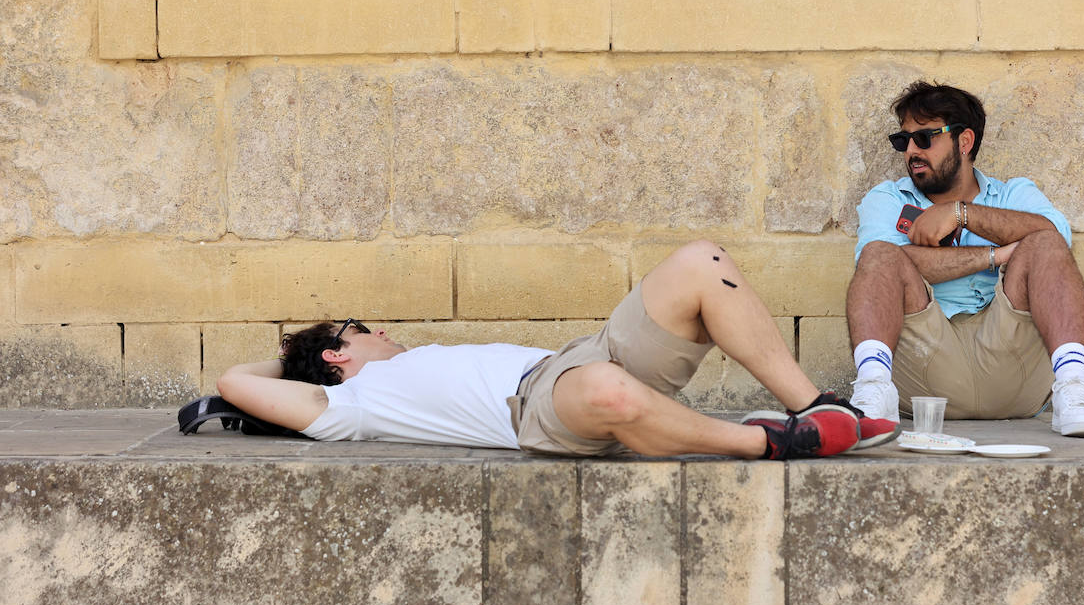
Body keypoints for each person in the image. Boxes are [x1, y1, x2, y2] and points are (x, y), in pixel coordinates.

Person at [217, 240, 898, 459]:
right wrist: (297, 356)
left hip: (577, 354)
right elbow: (234, 382)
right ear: (340, 354)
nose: (380, 330)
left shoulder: (398, 366)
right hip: (542, 410)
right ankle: (771, 442)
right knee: (606, 392)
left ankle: (817, 406)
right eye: (360, 328)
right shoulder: (352, 403)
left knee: (699, 261)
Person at [845, 81, 1084, 437]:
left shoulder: (1014, 193)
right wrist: (995, 255)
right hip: (923, 373)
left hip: (1013, 368)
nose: (911, 152)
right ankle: (873, 392)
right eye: (902, 141)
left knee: (1044, 244)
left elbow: (1054, 238)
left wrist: (961, 213)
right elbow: (881, 265)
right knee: (880, 255)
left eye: (924, 138)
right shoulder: (887, 199)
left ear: (964, 142)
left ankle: (1075, 388)